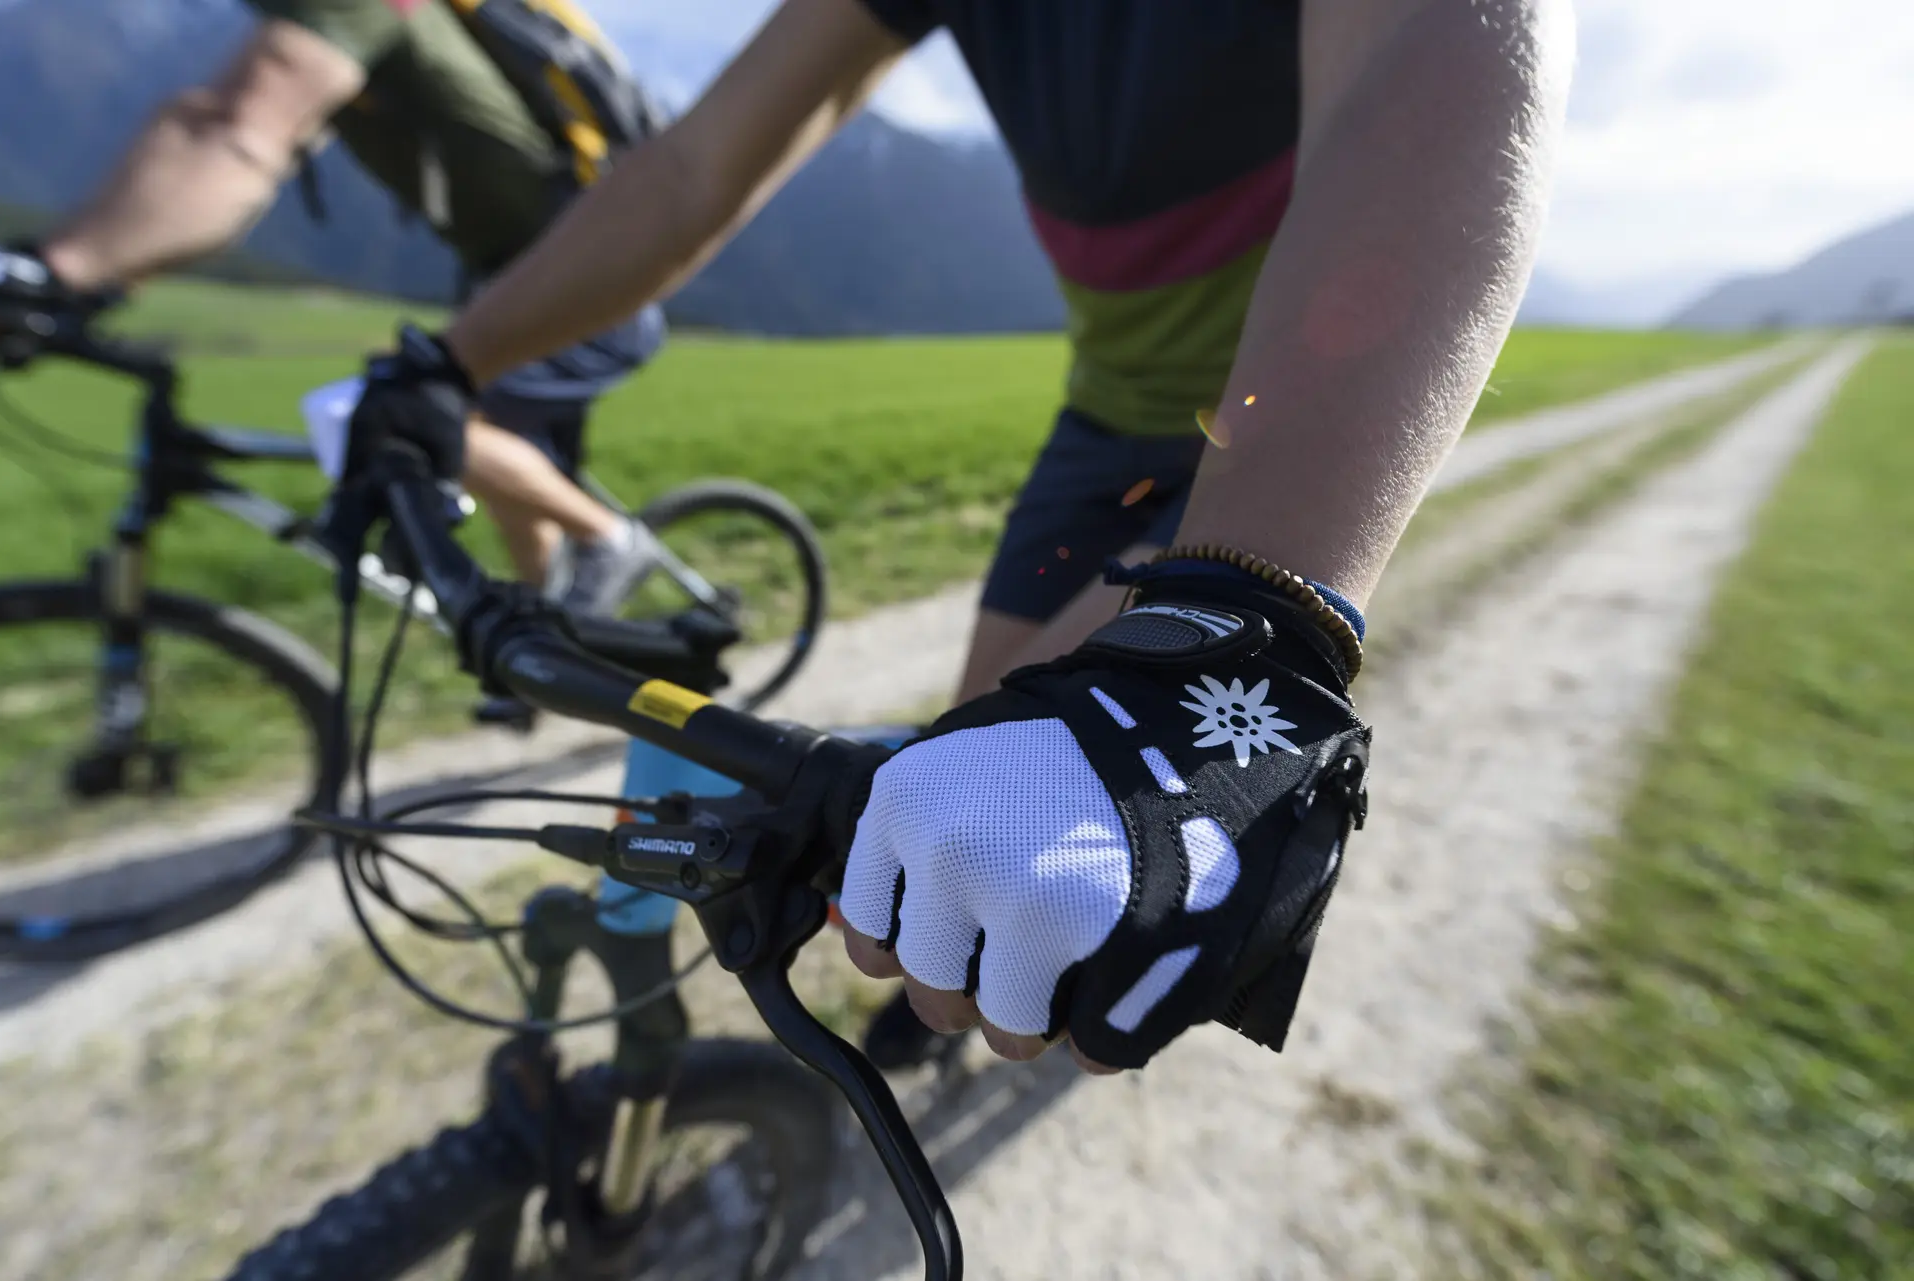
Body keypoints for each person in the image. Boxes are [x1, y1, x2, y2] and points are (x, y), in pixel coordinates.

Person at [334, 0, 1574, 1076]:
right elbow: (693, 169)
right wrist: (448, 368)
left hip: (1267, 430)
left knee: (1068, 791)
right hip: (1102, 426)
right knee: (979, 739)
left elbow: (1441, 38)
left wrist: (1246, 624)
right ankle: (974, 979)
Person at [0, 0, 667, 629]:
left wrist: (53, 273)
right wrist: (111, 274)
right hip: (523, 271)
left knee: (421, 420)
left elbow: (233, 132)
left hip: (583, 269)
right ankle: (558, 628)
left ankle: (611, 541)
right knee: (489, 450)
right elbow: (244, 145)